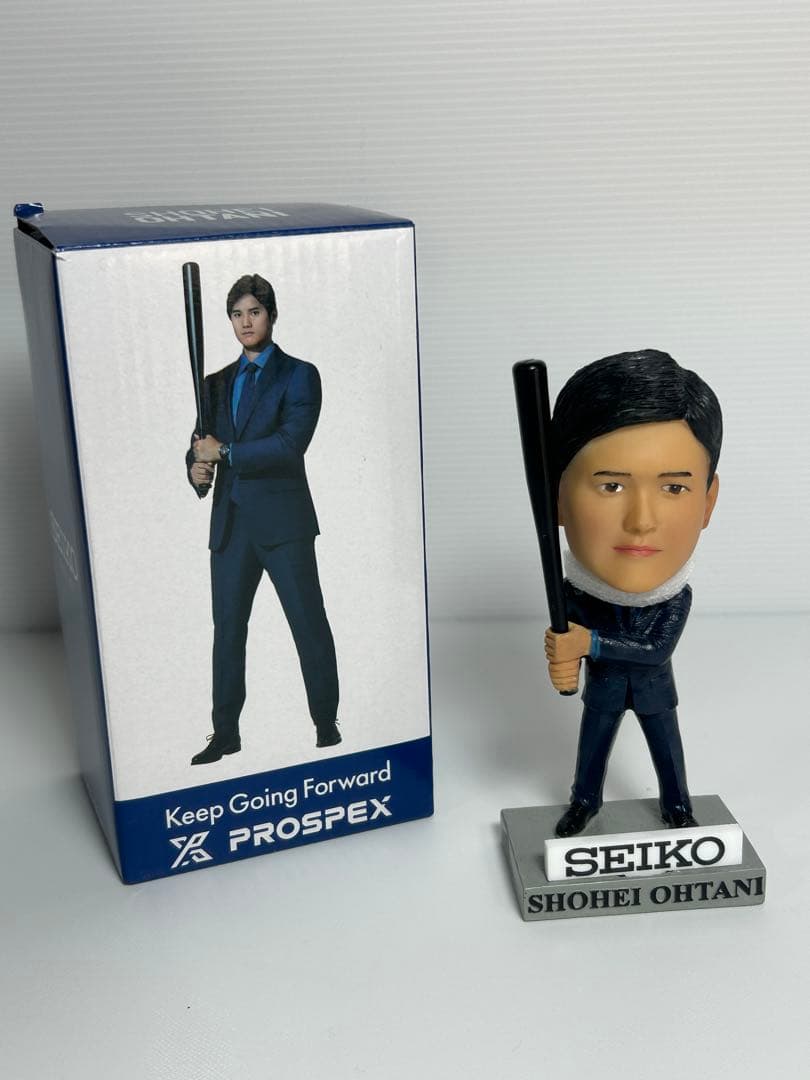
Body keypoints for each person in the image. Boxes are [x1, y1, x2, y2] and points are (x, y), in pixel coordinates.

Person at [543, 350, 721, 837]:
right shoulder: (575, 593)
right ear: (557, 498)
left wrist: (587, 644)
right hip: (602, 689)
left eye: (674, 488)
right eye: (612, 486)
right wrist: (562, 660)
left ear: (708, 501)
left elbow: (655, 649)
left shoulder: (674, 598)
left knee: (667, 750)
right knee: (592, 749)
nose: (641, 522)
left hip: (654, 691)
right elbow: (565, 636)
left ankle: (677, 806)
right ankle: (584, 801)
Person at [187, 273, 340, 765]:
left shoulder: (299, 375)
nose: (245, 322)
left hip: (283, 525)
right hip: (231, 526)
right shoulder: (214, 384)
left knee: (307, 623)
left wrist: (224, 453)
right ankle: (225, 733)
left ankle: (325, 723)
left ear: (271, 315)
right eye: (237, 314)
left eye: (254, 312)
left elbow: (289, 445)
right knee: (228, 631)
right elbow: (200, 444)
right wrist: (196, 469)